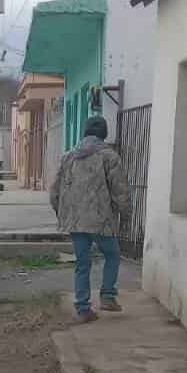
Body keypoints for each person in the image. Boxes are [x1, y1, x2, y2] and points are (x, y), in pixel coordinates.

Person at [49, 115, 133, 322]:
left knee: (82, 263)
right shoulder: (109, 157)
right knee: (112, 255)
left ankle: (83, 309)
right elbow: (120, 190)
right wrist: (126, 215)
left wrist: (62, 213)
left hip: (76, 221)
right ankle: (107, 296)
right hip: (101, 219)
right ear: (104, 134)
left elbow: (55, 191)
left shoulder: (69, 157)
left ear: (84, 133)